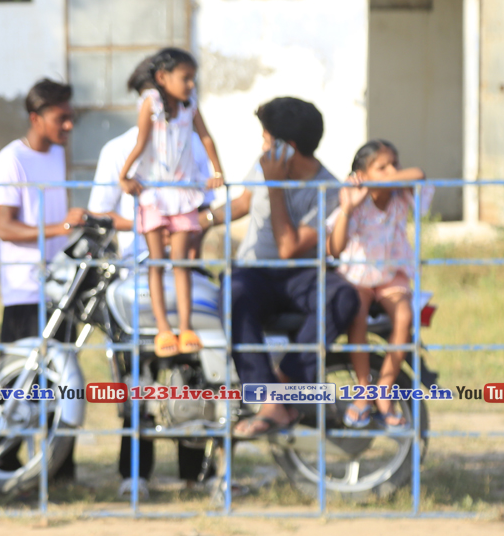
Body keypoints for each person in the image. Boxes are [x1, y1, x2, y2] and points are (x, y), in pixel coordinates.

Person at [88, 57, 214, 495]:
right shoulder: (117, 150)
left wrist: (192, 224)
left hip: (183, 266)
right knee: (136, 377)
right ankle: (135, 474)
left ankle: (195, 473)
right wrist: (146, 223)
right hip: (134, 272)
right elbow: (101, 213)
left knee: (188, 371)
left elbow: (205, 200)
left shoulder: (190, 136)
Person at [208, 98, 360, 438]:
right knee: (233, 293)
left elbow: (288, 247)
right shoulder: (266, 163)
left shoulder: (329, 191)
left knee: (342, 297)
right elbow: (244, 201)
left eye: (266, 139)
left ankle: (282, 387)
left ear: (288, 147)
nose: (262, 147)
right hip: (255, 271)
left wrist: (275, 186)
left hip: (301, 273)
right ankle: (268, 399)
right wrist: (201, 221)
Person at [0, 78, 84, 479]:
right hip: (25, 289)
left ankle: (60, 470)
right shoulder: (10, 160)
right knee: (19, 380)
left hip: (60, 287)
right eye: (61, 118)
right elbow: (6, 228)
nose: (68, 125)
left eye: (70, 117)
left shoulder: (58, 155)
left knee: (63, 379)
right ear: (36, 117)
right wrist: (62, 227)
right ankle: (4, 464)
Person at [117, 48, 224, 358]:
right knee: (155, 261)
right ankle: (163, 328)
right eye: (185, 78)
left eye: (193, 79)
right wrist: (125, 175)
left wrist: (217, 171)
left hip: (183, 192)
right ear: (163, 77)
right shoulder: (150, 103)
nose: (191, 85)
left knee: (181, 262)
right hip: (154, 191)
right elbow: (141, 142)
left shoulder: (190, 106)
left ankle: (185, 327)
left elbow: (206, 137)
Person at [326, 140, 430, 429]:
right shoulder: (356, 203)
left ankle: (384, 390)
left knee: (405, 316)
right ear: (361, 174)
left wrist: (377, 178)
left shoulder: (401, 196)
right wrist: (348, 207)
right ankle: (363, 389)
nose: (393, 172)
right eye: (382, 167)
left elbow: (418, 174)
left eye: (394, 164)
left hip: (391, 274)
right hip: (358, 276)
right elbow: (334, 248)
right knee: (355, 314)